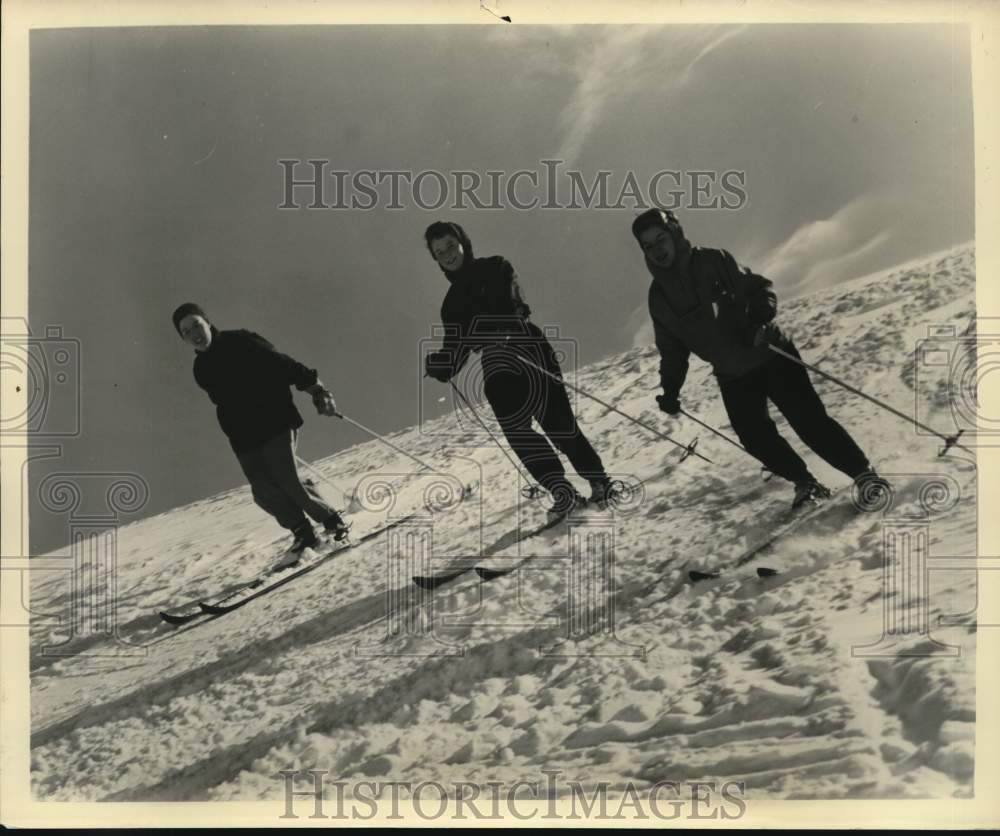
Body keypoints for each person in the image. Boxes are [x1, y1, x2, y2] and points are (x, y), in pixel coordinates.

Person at [631, 209, 879, 508]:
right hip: (731, 373)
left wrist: (760, 317)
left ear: (674, 234)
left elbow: (759, 288)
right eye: (648, 246)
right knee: (755, 438)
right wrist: (670, 389)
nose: (658, 250)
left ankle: (863, 475)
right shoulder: (659, 298)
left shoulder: (712, 260)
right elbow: (672, 351)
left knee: (808, 420)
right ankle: (805, 482)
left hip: (768, 352)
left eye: (661, 239)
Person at [422, 221, 614, 516]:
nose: (447, 254)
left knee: (557, 420)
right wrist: (441, 365)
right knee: (518, 432)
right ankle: (563, 493)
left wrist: (491, 328)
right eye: (439, 251)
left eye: (450, 245)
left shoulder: (495, 266)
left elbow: (513, 305)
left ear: (463, 242)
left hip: (526, 344)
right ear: (435, 259)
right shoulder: (451, 306)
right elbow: (455, 349)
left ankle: (599, 481)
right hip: (495, 364)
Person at [172, 303, 349, 553]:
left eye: (197, 325)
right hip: (244, 439)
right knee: (263, 491)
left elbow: (282, 364)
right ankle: (304, 534)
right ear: (183, 338)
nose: (195, 334)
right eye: (186, 331)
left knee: (287, 479)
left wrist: (318, 391)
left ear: (207, 322)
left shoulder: (240, 341)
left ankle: (333, 522)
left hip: (274, 419)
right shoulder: (200, 370)